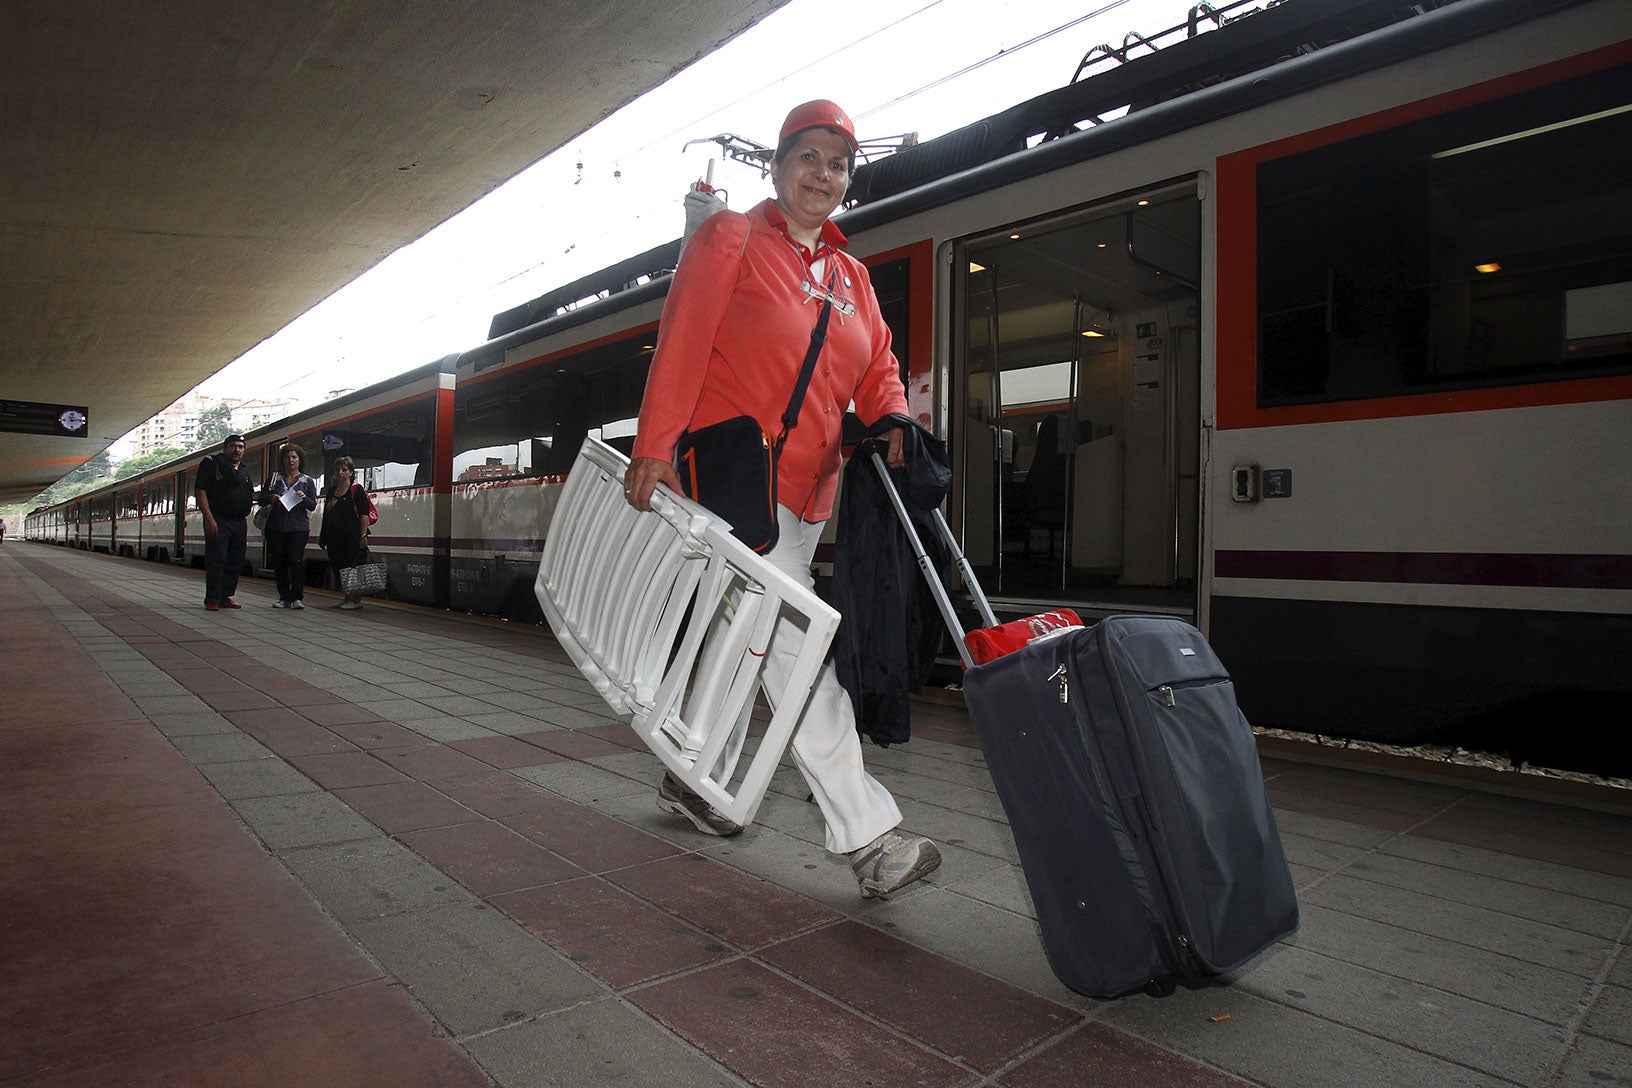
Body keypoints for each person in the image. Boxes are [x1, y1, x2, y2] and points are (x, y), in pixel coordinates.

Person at [624, 100, 940, 900]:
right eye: (808, 157)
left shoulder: (852, 279)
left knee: (750, 640)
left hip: (806, 494)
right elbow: (684, 338)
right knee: (794, 641)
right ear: (776, 164)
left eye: (838, 164)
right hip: (734, 483)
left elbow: (877, 370)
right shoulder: (731, 239)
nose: (823, 175)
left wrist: (896, 415)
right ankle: (869, 836)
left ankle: (689, 778)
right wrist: (655, 446)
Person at [194, 434, 254, 611]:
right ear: (225, 448)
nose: (237, 450)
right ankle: (212, 598)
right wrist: (209, 518)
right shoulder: (212, 464)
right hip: (219, 519)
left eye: (241, 447)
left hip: (239, 522)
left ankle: (225, 596)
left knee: (235, 559)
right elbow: (201, 490)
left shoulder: (243, 469)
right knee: (217, 559)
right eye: (233, 446)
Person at [260, 443, 319, 608]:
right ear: (282, 460)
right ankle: (283, 596)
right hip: (276, 527)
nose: (291, 460)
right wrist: (270, 497)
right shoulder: (274, 478)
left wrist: (303, 498)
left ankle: (297, 597)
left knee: (296, 561)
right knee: (280, 562)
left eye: (294, 457)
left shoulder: (307, 481)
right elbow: (261, 499)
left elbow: (312, 505)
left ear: (299, 460)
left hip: (298, 528)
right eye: (287, 457)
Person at [318, 455, 371, 610]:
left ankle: (356, 599)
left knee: (352, 567)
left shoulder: (356, 490)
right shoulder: (332, 491)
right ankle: (347, 597)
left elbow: (364, 514)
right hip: (334, 537)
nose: (340, 472)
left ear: (351, 472)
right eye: (337, 470)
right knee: (339, 567)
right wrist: (323, 536)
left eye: (344, 470)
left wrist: (363, 535)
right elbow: (326, 514)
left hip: (352, 537)